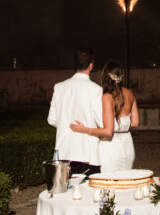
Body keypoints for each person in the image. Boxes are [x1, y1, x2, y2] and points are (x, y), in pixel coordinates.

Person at [70, 62, 139, 172]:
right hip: (128, 145)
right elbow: (135, 123)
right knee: (126, 181)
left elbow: (108, 131)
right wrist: (124, 122)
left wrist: (84, 129)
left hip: (111, 147)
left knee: (109, 182)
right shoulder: (130, 93)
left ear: (105, 77)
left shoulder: (107, 97)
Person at [47, 48, 103, 177]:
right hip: (88, 154)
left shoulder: (59, 87)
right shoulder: (96, 90)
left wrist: (66, 124)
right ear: (91, 65)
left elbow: (51, 119)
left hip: (64, 151)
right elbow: (101, 122)